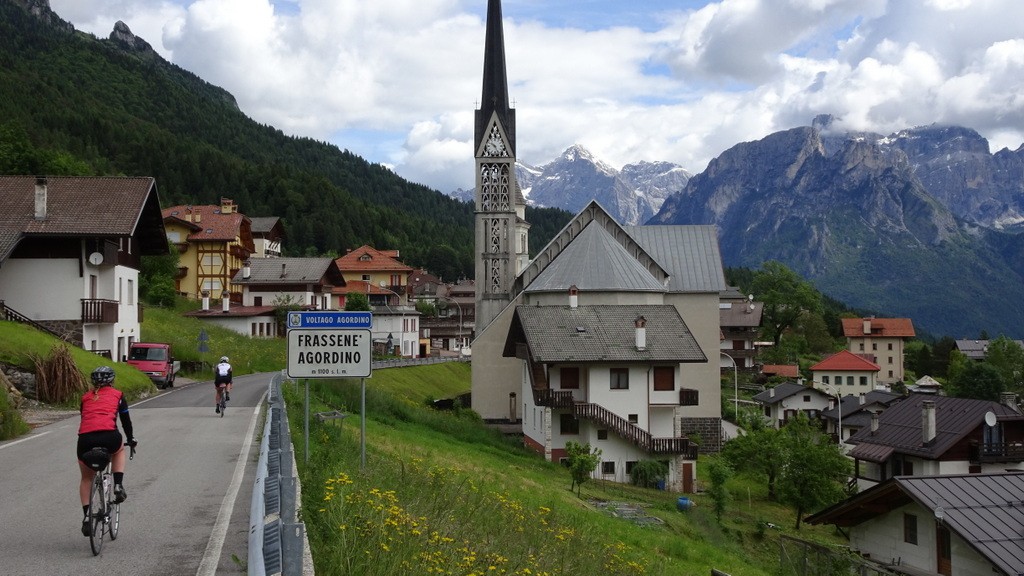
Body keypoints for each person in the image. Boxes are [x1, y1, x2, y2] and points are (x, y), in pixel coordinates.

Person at [77, 366, 136, 536]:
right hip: (110, 436)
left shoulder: (85, 397)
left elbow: (86, 418)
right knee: (118, 451)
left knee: (86, 478)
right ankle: (117, 485)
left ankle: (87, 517)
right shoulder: (118, 395)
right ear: (112, 380)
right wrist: (131, 439)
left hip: (85, 440)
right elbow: (126, 421)